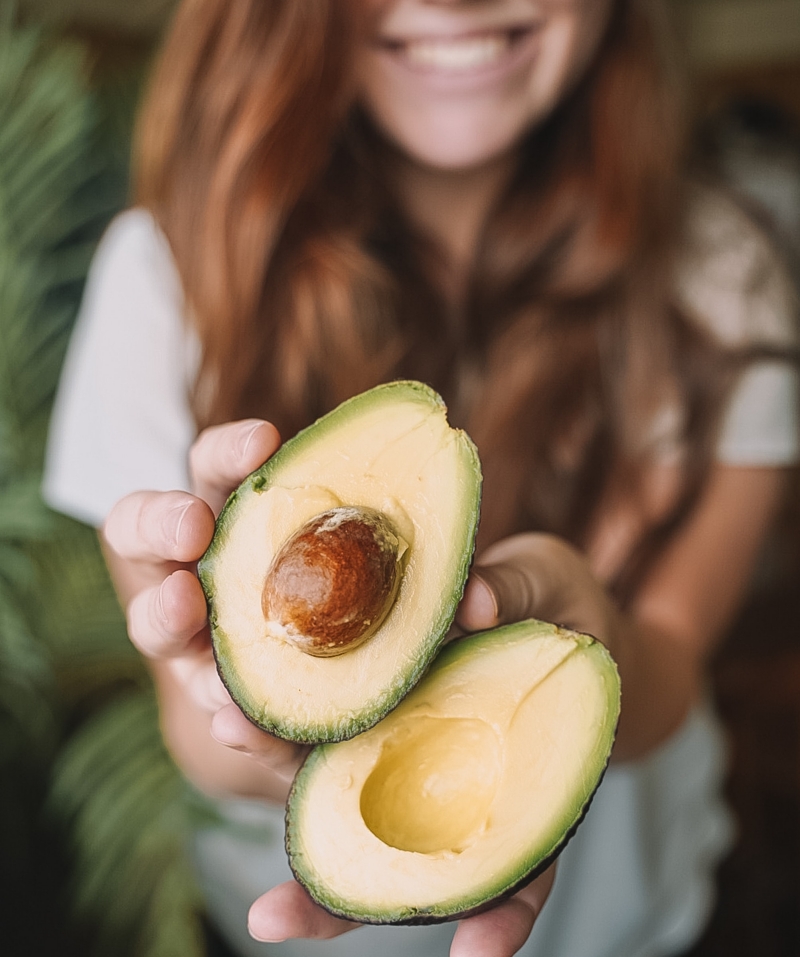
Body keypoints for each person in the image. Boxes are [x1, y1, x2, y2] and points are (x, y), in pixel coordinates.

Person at [43, 1, 799, 955]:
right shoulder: (168, 274)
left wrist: (599, 637)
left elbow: (672, 665)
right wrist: (238, 707)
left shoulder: (725, 280)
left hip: (633, 919)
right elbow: (195, 739)